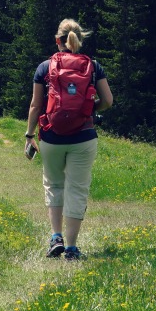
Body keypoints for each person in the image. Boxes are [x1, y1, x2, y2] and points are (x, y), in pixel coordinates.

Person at [25, 18, 112, 261]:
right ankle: (72, 249)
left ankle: (56, 238)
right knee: (77, 188)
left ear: (57, 40)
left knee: (54, 185)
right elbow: (108, 100)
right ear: (79, 40)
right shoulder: (93, 67)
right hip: (84, 136)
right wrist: (91, 111)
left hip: (51, 136)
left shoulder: (45, 67)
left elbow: (35, 105)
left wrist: (29, 135)